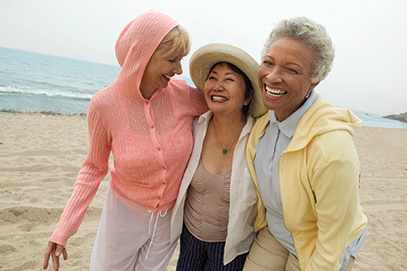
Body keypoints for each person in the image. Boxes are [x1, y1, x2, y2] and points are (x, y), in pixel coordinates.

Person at [43, 10, 208, 271]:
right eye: (172, 60)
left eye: (181, 60)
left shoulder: (183, 95)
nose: (178, 70)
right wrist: (63, 229)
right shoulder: (103, 105)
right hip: (123, 215)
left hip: (169, 220)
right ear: (142, 56)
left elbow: (226, 108)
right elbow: (94, 168)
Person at [243, 17, 368, 271]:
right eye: (268, 63)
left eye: (291, 69)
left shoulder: (332, 149)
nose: (273, 76)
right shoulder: (264, 118)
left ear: (315, 80)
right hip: (277, 228)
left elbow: (332, 239)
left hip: (322, 240)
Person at [170, 43, 268, 271]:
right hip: (189, 239)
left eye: (229, 80)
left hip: (232, 249)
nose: (218, 86)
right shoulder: (194, 126)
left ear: (248, 96)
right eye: (213, 78)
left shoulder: (259, 139)